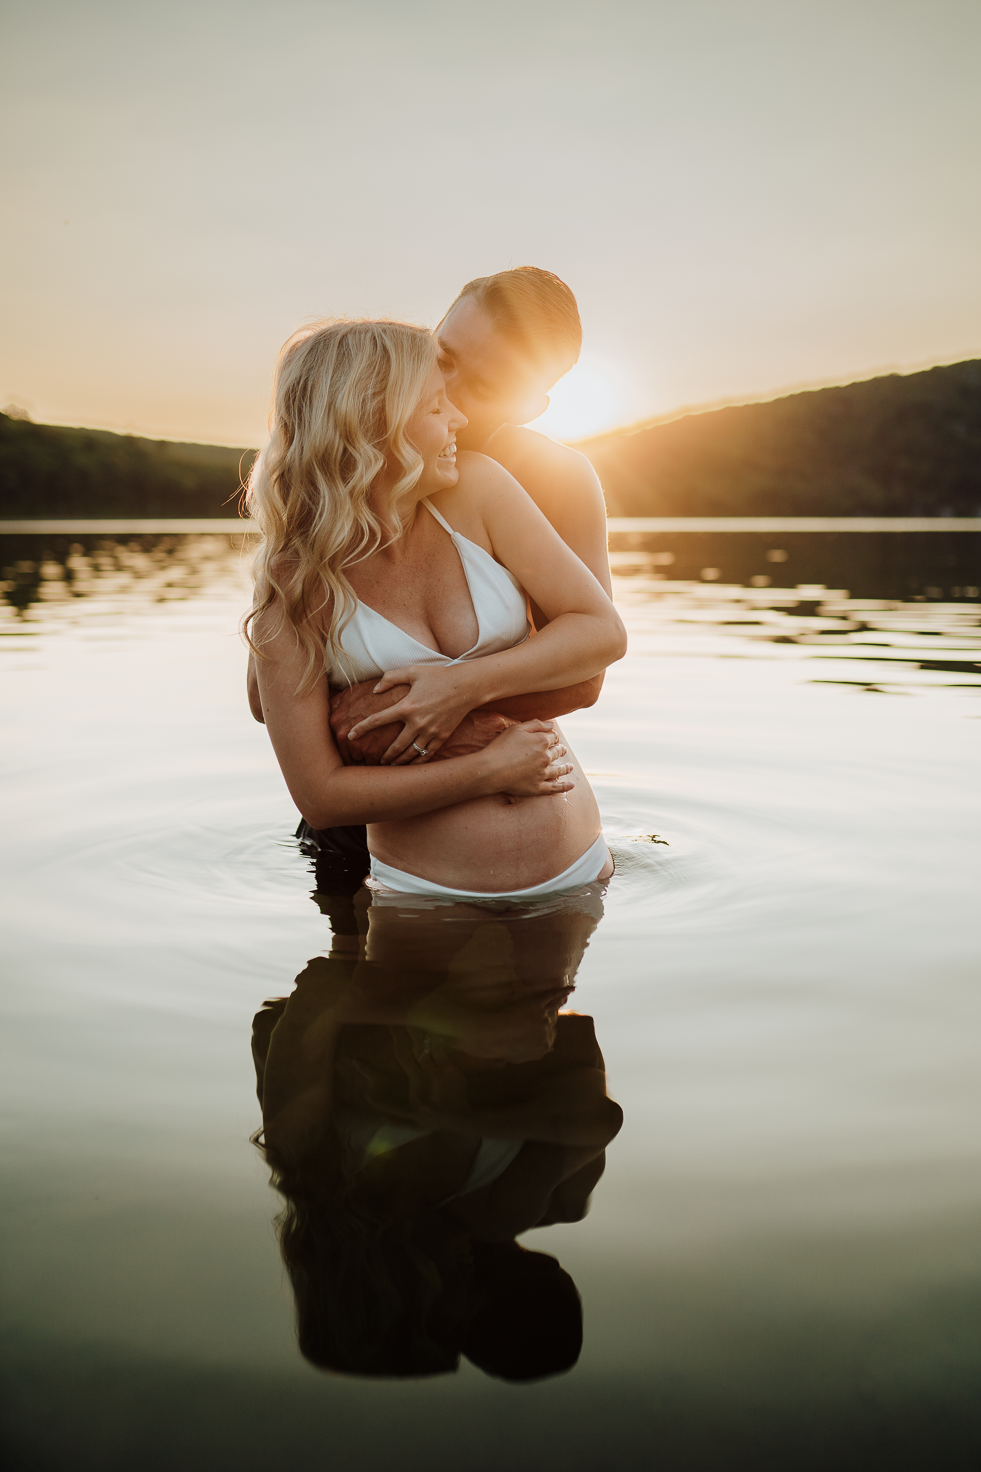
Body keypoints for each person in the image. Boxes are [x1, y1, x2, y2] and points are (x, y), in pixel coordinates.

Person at [247, 267, 613, 874]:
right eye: (444, 356)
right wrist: (374, 726)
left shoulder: (553, 480)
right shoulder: (341, 479)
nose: (451, 387)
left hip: (508, 796)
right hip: (365, 803)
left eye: (486, 383)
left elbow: (586, 675)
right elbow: (271, 695)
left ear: (531, 404)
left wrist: (439, 706)